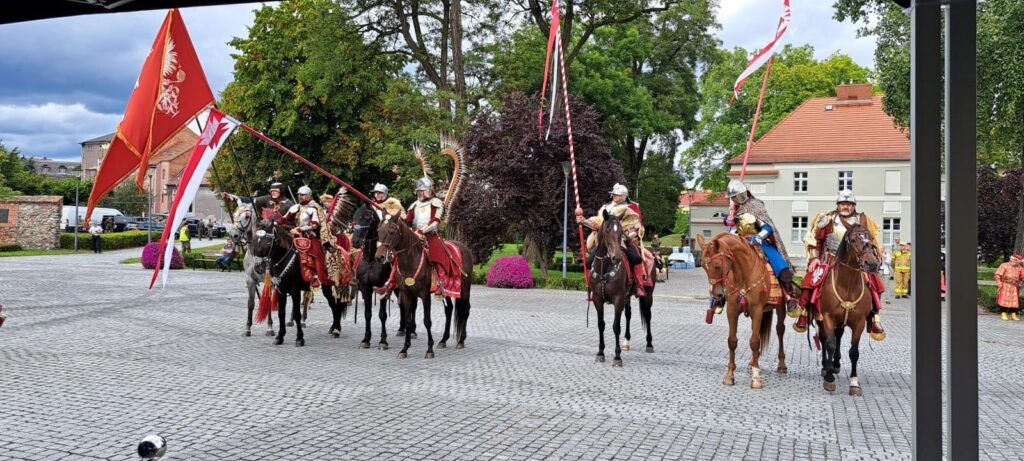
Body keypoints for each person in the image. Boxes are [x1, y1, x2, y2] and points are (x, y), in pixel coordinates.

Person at [799, 190, 887, 340]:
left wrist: (872, 257)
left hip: (856, 260)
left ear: (854, 206)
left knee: (874, 281)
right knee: (811, 280)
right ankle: (804, 314)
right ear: (838, 205)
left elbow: (870, 241)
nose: (846, 206)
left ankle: (874, 316)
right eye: (843, 204)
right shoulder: (827, 219)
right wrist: (814, 259)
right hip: (830, 257)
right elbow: (816, 241)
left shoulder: (863, 220)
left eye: (849, 204)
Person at [725, 180, 800, 311]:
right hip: (741, 242)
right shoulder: (735, 210)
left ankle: (789, 295)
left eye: (734, 196)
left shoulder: (755, 205)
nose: (733, 199)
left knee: (779, 264)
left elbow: (768, 227)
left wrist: (758, 237)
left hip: (759, 242)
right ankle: (718, 297)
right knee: (722, 263)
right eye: (732, 197)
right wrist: (730, 224)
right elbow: (733, 229)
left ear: (742, 194)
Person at [576, 183, 651, 298]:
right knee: (589, 261)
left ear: (623, 196)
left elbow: (637, 226)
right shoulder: (606, 208)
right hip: (605, 240)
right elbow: (597, 223)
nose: (614, 197)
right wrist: (584, 221)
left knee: (635, 257)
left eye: (616, 195)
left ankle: (639, 286)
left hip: (624, 239)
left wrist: (629, 235)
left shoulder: (632, 208)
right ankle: (593, 287)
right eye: (613, 195)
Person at [406, 177, 462, 298]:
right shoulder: (414, 205)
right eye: (418, 191)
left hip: (431, 235)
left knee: (437, 254)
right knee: (398, 252)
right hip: (414, 235)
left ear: (429, 191)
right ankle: (393, 282)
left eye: (422, 191)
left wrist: (422, 231)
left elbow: (435, 222)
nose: (420, 193)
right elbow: (407, 221)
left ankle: (440, 284)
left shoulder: (436, 203)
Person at [278, 185, 328, 287]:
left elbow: (314, 224)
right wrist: (274, 223)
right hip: (294, 234)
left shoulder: (314, 208)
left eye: (303, 195)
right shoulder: (295, 207)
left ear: (309, 196)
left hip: (310, 235)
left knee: (314, 250)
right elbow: (283, 219)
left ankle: (315, 274)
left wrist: (300, 229)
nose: (300, 197)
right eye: (299, 195)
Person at [222, 182, 293, 221]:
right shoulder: (267, 199)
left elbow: (292, 221)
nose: (273, 193)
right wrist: (230, 196)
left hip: (283, 231)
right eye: (272, 191)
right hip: (267, 229)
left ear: (281, 191)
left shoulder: (289, 204)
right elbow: (251, 201)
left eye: (276, 191)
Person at [994, 254, 1024, 321]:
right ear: (1011, 259)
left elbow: (1023, 277)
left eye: (1016, 260)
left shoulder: (1020, 268)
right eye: (1013, 259)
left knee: (1014, 301)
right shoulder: (1004, 265)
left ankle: (1013, 314)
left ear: (1018, 261)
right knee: (1004, 299)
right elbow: (997, 274)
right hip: (1005, 285)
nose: (1013, 261)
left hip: (1014, 286)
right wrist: (999, 282)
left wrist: (1020, 282)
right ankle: (1003, 313)